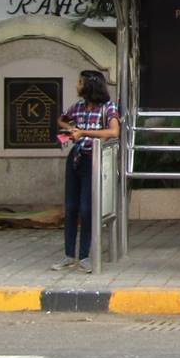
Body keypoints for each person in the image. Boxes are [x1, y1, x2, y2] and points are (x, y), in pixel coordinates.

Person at [53, 69, 121, 273]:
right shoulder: (78, 107)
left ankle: (84, 255)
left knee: (86, 208)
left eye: (80, 82)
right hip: (76, 159)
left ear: (89, 86)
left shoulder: (107, 108)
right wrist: (70, 129)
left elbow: (113, 131)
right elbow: (61, 119)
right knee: (71, 207)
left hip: (94, 160)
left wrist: (83, 132)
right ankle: (68, 255)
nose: (77, 85)